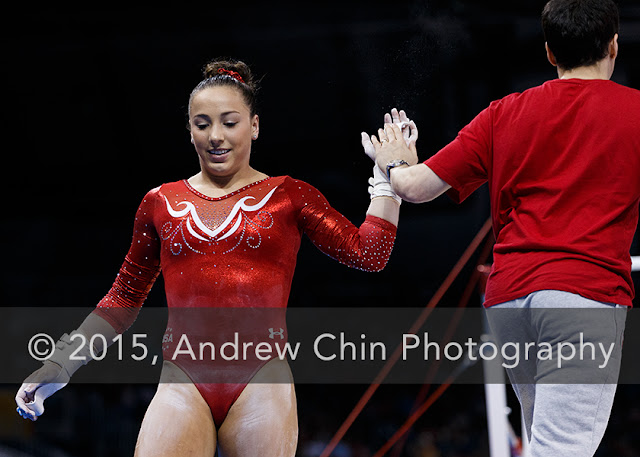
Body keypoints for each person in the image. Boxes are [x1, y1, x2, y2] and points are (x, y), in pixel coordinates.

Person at [15, 58, 414, 456]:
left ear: (254, 126)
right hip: (182, 378)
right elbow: (122, 300)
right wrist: (61, 364)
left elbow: (369, 254)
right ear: (189, 131)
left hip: (261, 379)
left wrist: (387, 181)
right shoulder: (160, 202)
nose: (216, 136)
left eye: (230, 122)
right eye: (202, 124)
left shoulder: (288, 195)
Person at [365, 0, 638, 455]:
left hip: (510, 302)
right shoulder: (635, 111)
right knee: (561, 448)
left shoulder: (503, 112)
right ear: (614, 45)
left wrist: (394, 160)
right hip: (582, 296)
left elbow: (413, 187)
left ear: (550, 52)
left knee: (543, 443)